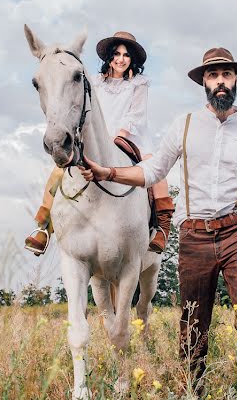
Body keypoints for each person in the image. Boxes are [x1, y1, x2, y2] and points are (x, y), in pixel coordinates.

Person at [79, 47, 237, 400]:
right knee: (193, 322)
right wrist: (107, 172)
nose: (220, 81)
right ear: (203, 83)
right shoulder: (185, 125)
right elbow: (152, 171)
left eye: (226, 74)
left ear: (236, 80)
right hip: (194, 234)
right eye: (213, 75)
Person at [24, 31, 175, 255]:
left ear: (132, 58)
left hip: (129, 137)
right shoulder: (94, 82)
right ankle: (43, 226)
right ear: (109, 58)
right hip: (98, 137)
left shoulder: (139, 84)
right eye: (116, 54)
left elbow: (136, 115)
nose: (121, 59)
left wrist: (119, 136)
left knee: (155, 170)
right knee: (59, 171)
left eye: (126, 55)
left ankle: (162, 227)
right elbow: (87, 110)